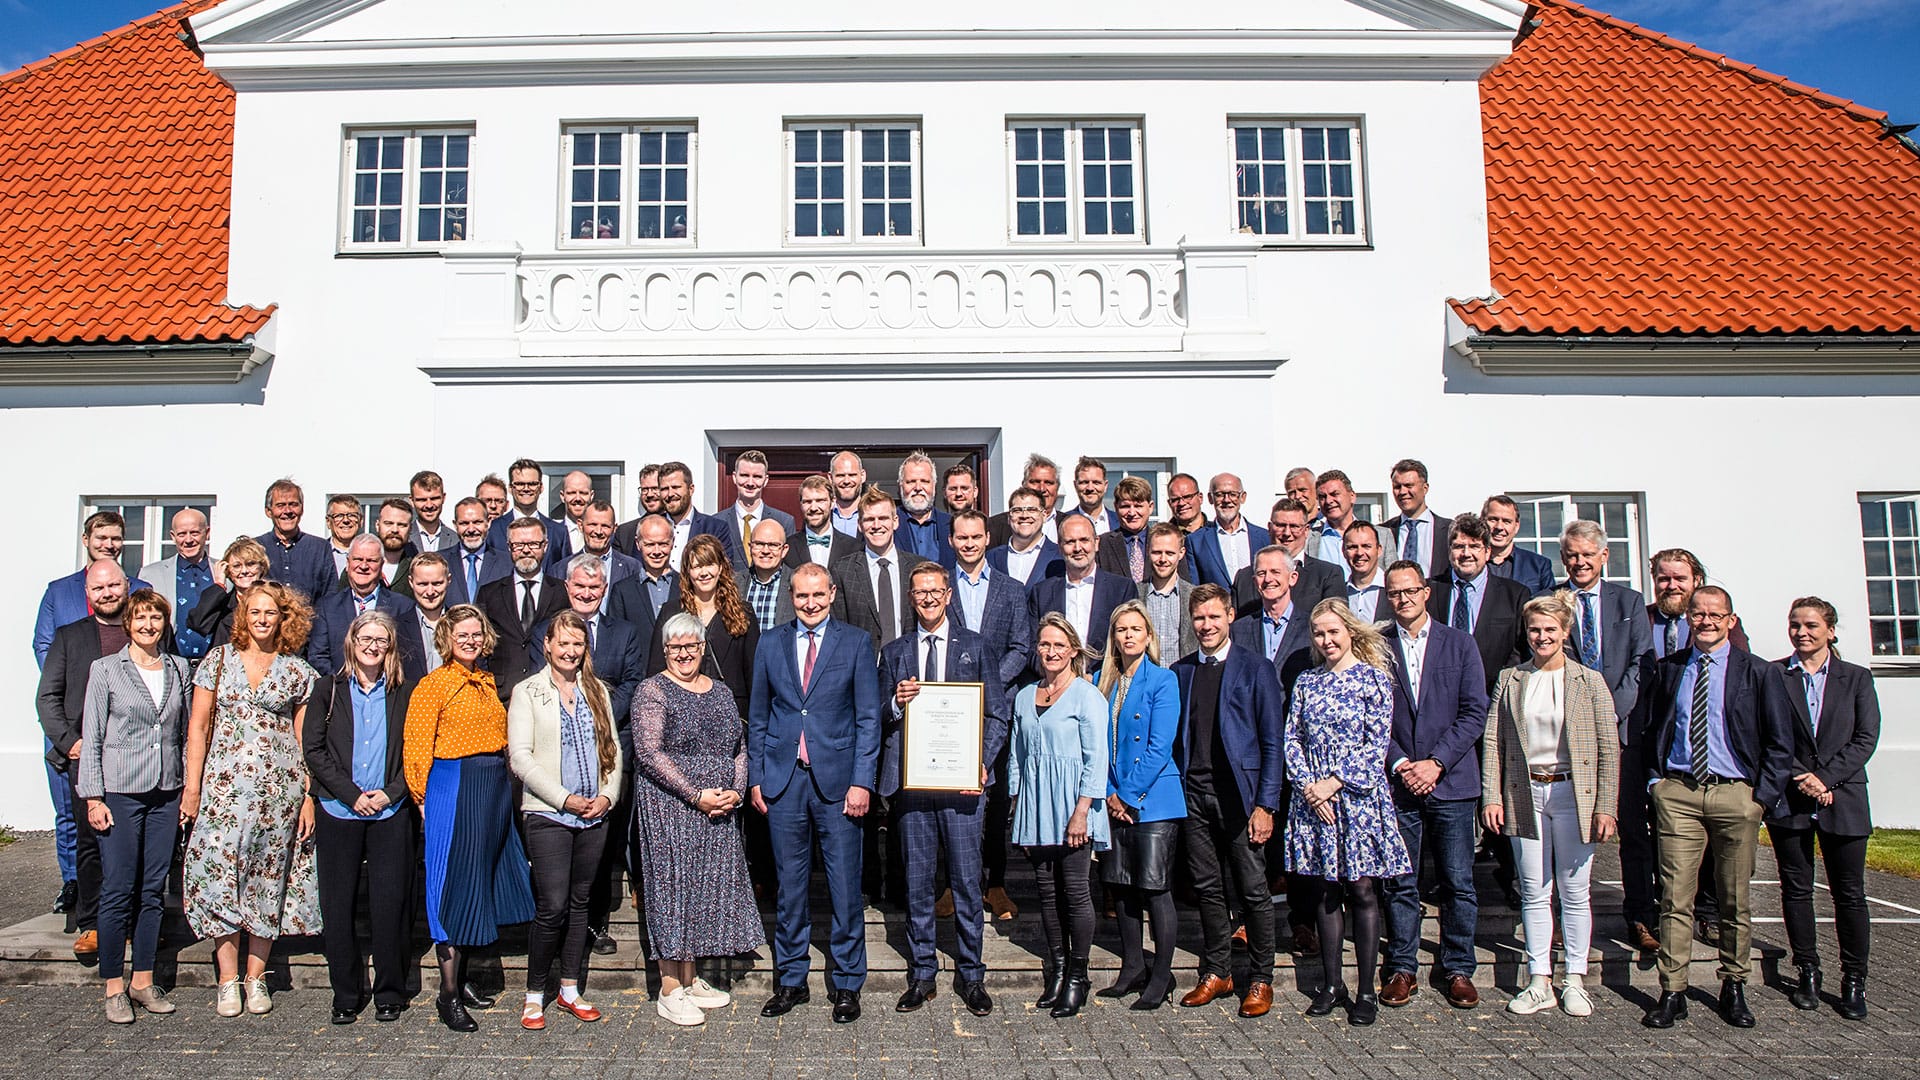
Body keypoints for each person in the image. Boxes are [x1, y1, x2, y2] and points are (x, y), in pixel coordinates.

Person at [1638, 586, 1792, 1031]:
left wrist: (1759, 799)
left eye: (1714, 614)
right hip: (1679, 793)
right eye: (1697, 614)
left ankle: (1734, 985)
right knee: (1674, 897)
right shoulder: (1669, 670)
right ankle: (1673, 990)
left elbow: (1780, 742)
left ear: (1730, 620)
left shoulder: (1758, 672)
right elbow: (1651, 730)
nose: (1705, 621)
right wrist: (1656, 782)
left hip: (1735, 795)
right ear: (1688, 619)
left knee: (1733, 897)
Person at [181, 581, 322, 1017]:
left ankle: (256, 977)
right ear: (244, 616)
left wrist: (308, 796)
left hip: (277, 795)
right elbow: (198, 729)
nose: (262, 619)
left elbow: (305, 741)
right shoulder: (218, 663)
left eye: (271, 612)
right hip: (223, 794)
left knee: (266, 878)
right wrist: (192, 789)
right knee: (221, 875)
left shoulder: (298, 672)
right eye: (255, 612)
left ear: (284, 619)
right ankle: (227, 980)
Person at [749, 562, 882, 1023]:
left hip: (839, 782)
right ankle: (790, 981)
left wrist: (862, 780)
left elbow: (868, 718)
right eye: (801, 596)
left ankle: (847, 984)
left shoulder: (855, 642)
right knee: (789, 889)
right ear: (792, 595)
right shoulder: (771, 643)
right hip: (785, 783)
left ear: (831, 594)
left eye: (817, 596)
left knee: (845, 890)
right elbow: (760, 717)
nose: (809, 604)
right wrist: (756, 777)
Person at [1480, 593, 1619, 1018]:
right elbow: (1493, 741)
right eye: (1535, 629)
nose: (1542, 637)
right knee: (1534, 892)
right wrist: (1493, 794)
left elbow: (1608, 748)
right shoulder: (1511, 679)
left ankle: (1575, 977)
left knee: (1575, 892)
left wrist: (1606, 805)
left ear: (1566, 632)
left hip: (1574, 794)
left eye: (1550, 630)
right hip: (1526, 793)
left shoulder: (1588, 681)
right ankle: (1539, 979)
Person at [403, 604, 538, 1032]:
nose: (470, 640)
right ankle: (446, 994)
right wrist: (423, 796)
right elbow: (416, 745)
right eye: (462, 634)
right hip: (454, 784)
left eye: (476, 634)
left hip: (492, 786)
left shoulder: (484, 681)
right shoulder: (434, 685)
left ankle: (462, 982)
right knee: (451, 881)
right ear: (446, 637)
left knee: (478, 879)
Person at [876, 564, 1003, 1015]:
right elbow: (878, 714)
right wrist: (896, 700)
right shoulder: (895, 652)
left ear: (948, 595)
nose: (928, 599)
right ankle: (922, 974)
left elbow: (997, 715)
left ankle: (971, 975)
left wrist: (982, 763)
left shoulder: (977, 646)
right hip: (912, 785)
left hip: (963, 787)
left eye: (935, 591)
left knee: (968, 884)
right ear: (911, 598)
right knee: (916, 884)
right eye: (919, 592)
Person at [631, 612, 765, 1026]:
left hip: (719, 809)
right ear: (665, 651)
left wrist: (736, 791)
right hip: (671, 807)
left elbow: (739, 748)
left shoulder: (721, 692)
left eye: (691, 645)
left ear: (703, 648)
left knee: (702, 891)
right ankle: (669, 987)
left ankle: (690, 980)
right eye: (676, 647)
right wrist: (695, 794)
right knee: (672, 890)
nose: (684, 653)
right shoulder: (652, 691)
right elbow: (649, 753)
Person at [1284, 599, 1407, 1026]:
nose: (1326, 640)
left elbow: (1376, 746)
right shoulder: (1307, 682)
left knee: (1362, 890)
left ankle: (1367, 990)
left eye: (1333, 631)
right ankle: (1332, 984)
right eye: (1319, 633)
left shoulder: (1374, 681)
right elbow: (1292, 740)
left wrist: (1334, 784)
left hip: (1357, 800)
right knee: (1326, 892)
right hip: (1315, 802)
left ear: (1350, 631)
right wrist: (1310, 788)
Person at [1378, 560, 1488, 1011]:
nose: (1403, 600)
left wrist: (1437, 762)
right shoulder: (1377, 647)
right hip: (1401, 781)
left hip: (1451, 781)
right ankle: (1403, 966)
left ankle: (1458, 966)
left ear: (1426, 593)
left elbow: (1474, 711)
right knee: (1400, 880)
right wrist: (1403, 762)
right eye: (1395, 593)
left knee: (1457, 881)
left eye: (1410, 591)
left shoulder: (1459, 644)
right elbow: (1372, 715)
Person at [75, 588, 190, 1024]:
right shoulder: (105, 669)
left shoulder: (178, 668)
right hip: (121, 792)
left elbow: (179, 733)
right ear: (128, 623)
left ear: (165, 624)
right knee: (119, 888)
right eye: (140, 618)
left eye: (156, 619)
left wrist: (185, 789)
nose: (148, 626)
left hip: (166, 790)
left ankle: (143, 980)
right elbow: (94, 739)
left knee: (152, 890)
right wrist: (93, 798)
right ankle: (113, 986)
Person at [1172, 583, 1286, 1019]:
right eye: (1199, 618)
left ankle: (1260, 977)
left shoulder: (1256, 668)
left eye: (1214, 617)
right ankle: (1218, 970)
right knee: (1207, 887)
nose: (1206, 625)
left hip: (1241, 798)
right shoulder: (1183, 672)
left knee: (1254, 890)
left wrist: (1266, 805)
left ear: (1230, 617)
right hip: (1195, 796)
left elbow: (1272, 743)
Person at [508, 611, 625, 1030]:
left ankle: (570, 988)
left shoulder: (597, 691)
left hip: (594, 814)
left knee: (580, 904)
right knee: (552, 905)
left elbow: (612, 749)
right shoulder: (528, 691)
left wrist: (608, 796)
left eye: (578, 644)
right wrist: (564, 799)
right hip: (549, 813)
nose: (571, 651)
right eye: (564, 643)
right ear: (548, 645)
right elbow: (520, 757)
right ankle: (534, 993)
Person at [1628, 546, 1745, 951]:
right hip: (1652, 743)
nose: (1671, 585)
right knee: (1650, 839)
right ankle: (1653, 915)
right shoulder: (1640, 619)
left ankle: (1709, 912)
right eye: (1663, 578)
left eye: (1679, 578)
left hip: (1709, 752)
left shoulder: (1723, 626)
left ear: (1696, 581)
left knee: (1711, 841)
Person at [529, 555, 646, 958]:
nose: (586, 594)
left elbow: (633, 682)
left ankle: (595, 923)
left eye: (594, 588)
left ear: (605, 589)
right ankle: (554, 921)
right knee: (559, 847)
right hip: (553, 755)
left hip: (609, 747)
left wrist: (595, 715)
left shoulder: (624, 632)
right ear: (567, 587)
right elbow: (535, 685)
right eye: (580, 586)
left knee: (600, 840)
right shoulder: (545, 632)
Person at [303, 609, 416, 1025]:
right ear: (351, 642)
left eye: (380, 640)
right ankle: (346, 993)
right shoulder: (327, 689)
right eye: (365, 639)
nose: (372, 646)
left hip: (390, 810)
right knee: (339, 904)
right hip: (339, 809)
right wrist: (352, 795)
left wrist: (390, 793)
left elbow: (416, 750)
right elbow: (313, 749)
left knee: (391, 904)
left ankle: (390, 991)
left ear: (390, 647)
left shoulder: (405, 690)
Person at [33, 511, 149, 918]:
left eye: (118, 537)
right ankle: (79, 897)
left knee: (129, 829)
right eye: (102, 536)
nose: (110, 542)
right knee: (77, 819)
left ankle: (126, 909)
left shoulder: (143, 599)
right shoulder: (60, 596)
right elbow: (44, 652)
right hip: (76, 726)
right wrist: (69, 728)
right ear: (87, 539)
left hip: (133, 740)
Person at [1769, 596, 1879, 1021]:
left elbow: (1866, 737)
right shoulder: (1775, 675)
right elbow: (1770, 734)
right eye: (1795, 624)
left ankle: (1854, 981)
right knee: (1796, 890)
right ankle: (1807, 973)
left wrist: (1826, 779)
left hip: (1844, 797)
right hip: (1792, 797)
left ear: (1830, 630)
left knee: (1849, 894)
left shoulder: (1856, 678)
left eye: (1812, 625)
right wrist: (1803, 778)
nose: (1802, 632)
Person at [1008, 613, 1109, 1018]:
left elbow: (1096, 758)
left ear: (1073, 650)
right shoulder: (1023, 695)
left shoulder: (1087, 696)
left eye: (1058, 645)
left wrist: (1082, 811)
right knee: (1046, 893)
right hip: (1037, 803)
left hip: (1073, 805)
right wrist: (1017, 799)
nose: (1051, 652)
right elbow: (1018, 753)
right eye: (1045, 645)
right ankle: (1058, 968)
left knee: (1076, 890)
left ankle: (1079, 976)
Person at [37, 559, 134, 960]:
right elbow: (48, 698)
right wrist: (70, 743)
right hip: (87, 759)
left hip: (137, 761)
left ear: (126, 586)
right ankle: (92, 923)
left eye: (113, 585)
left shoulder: (147, 630)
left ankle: (132, 923)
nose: (107, 593)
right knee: (91, 843)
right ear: (89, 595)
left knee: (136, 846)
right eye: (99, 588)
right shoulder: (69, 637)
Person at [946, 508, 1033, 921]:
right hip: (949, 707)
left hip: (998, 708)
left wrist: (988, 684)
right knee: (948, 795)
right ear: (951, 541)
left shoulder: (1012, 590)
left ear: (986, 540)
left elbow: (1021, 646)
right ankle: (951, 883)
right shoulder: (940, 587)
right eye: (961, 537)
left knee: (996, 797)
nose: (969, 543)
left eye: (976, 537)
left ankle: (995, 883)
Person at [1094, 601, 1182, 1010]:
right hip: (1114, 799)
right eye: (1121, 629)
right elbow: (1099, 745)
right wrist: (1110, 793)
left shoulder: (1163, 680)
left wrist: (1127, 794)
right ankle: (1131, 967)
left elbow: (1159, 746)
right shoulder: (1102, 681)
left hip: (1153, 800)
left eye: (1136, 629)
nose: (1128, 636)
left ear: (1149, 636)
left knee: (1154, 887)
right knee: (1121, 886)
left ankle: (1162, 976)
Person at [649, 535, 759, 720]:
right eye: (697, 566)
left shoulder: (743, 612)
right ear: (687, 572)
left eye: (709, 564)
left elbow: (754, 675)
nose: (704, 572)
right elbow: (656, 670)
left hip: (731, 715)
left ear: (721, 567)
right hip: (682, 716)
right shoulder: (672, 611)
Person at [477, 517, 569, 702]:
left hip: (550, 692)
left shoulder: (562, 591)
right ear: (509, 547)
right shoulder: (489, 592)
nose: (526, 550)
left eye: (533, 544)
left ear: (545, 546)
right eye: (518, 545)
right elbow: (481, 646)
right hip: (502, 694)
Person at [831, 487, 928, 658]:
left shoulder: (918, 567)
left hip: (910, 668)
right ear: (860, 525)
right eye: (869, 520)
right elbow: (838, 630)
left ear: (895, 521)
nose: (876, 526)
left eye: (883, 518)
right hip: (862, 670)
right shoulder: (842, 571)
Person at [308, 534, 420, 679]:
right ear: (348, 564)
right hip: (339, 693)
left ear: (381, 566)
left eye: (371, 560)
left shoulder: (403, 606)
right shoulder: (327, 607)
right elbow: (317, 656)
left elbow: (407, 657)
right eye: (358, 559)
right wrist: (344, 686)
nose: (364, 566)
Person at [1028, 514, 1134, 661]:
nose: (1078, 548)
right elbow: (1032, 647)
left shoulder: (1121, 589)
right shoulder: (1041, 593)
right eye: (1070, 542)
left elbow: (1129, 644)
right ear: (1060, 547)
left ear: (1096, 543)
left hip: (1105, 681)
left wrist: (1098, 677)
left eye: (1084, 540)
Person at [1237, 498, 1343, 616]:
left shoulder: (1327, 575)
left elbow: (1335, 625)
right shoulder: (1244, 578)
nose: (1287, 533)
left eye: (1294, 526)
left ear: (1306, 530)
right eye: (1280, 525)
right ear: (1269, 528)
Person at [138, 508, 216, 663]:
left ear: (207, 533)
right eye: (182, 534)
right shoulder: (151, 574)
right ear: (173, 536)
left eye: (194, 533)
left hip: (216, 666)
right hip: (170, 663)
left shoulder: (225, 571)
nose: (188, 540)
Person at [255, 478, 336, 602]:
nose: (287, 511)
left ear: (302, 509)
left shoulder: (320, 548)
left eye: (293, 504)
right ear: (268, 511)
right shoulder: (256, 548)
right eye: (280, 505)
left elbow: (331, 596)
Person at [1186, 473, 1268, 588]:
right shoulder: (1195, 542)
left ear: (1243, 497)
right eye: (1219, 495)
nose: (1226, 500)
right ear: (1210, 498)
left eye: (1232, 494)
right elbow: (1194, 588)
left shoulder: (1264, 538)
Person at [187, 537, 270, 649]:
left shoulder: (274, 600)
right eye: (237, 566)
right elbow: (197, 623)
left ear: (262, 567)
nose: (244, 571)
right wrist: (219, 585)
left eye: (250, 564)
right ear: (228, 571)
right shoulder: (222, 603)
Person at [718, 450, 796, 569]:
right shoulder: (717, 522)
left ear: (766, 480)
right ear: (734, 477)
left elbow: (788, 568)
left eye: (757, 477)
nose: (750, 483)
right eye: (744, 475)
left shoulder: (784, 522)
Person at [485, 458, 571, 561]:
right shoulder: (493, 529)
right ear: (510, 488)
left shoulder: (559, 532)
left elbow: (564, 571)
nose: (526, 489)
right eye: (520, 484)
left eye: (532, 484)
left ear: (541, 487)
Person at [1382, 459, 1451, 579]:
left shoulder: (1449, 530)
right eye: (1397, 487)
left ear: (1425, 488)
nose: (1403, 492)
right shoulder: (1383, 531)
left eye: (1409, 486)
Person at [1140, 524, 1196, 662]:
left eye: (1170, 553)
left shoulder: (1193, 596)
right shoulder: (1134, 593)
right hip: (1146, 679)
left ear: (1181, 553)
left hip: (1182, 678)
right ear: (1148, 551)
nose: (1163, 559)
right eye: (1157, 552)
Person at [986, 486, 1063, 586]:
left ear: (1044, 516)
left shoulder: (1059, 556)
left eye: (1032, 510)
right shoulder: (991, 557)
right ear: (1009, 518)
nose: (1024, 515)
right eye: (1017, 510)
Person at [1481, 496, 1555, 597]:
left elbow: (1549, 608)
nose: (1499, 527)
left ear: (1516, 526)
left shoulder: (1539, 566)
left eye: (1506, 521)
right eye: (1493, 519)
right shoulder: (1469, 563)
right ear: (1482, 522)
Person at [1312, 470, 1389, 565]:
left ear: (1352, 496)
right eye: (1322, 497)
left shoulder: (1383, 536)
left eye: (1335, 494)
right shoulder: (1310, 539)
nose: (1328, 501)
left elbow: (1394, 576)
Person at [783, 473, 858, 570]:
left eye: (820, 501)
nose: (813, 508)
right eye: (808, 502)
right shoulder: (787, 548)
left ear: (832, 502)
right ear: (801, 504)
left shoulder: (853, 547)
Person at [987, 453, 1065, 546]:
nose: (1042, 489)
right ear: (1024, 485)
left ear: (1057, 487)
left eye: (1048, 483)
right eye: (1035, 482)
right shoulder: (996, 526)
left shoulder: (1070, 523)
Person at [444, 497, 507, 607]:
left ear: (488, 523)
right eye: (464, 523)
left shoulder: (506, 563)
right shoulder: (441, 561)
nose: (471, 529)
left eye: (477, 522)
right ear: (455, 525)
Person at [895, 450, 954, 564]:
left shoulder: (952, 524)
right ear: (901, 486)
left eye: (924, 481)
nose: (918, 487)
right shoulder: (887, 524)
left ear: (934, 485)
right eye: (911, 481)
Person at [1096, 475, 1157, 583]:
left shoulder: (1163, 541)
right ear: (1116, 507)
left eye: (1138, 506)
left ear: (1151, 507)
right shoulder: (1103, 543)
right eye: (1125, 506)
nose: (1132, 513)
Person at [744, 519, 796, 631]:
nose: (766, 550)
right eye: (759, 544)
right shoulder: (735, 583)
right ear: (750, 547)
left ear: (784, 550)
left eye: (773, 545)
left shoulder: (797, 583)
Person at [1341, 520, 1388, 622]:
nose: (1359, 553)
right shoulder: (1338, 593)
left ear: (1379, 550)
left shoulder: (1393, 589)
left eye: (1366, 546)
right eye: (1352, 547)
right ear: (1344, 552)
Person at [1065, 456, 1119, 535]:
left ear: (1105, 485)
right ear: (1075, 485)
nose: (1090, 488)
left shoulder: (1120, 521)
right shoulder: (1062, 521)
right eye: (1084, 482)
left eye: (1096, 482)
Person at [409, 470, 455, 554]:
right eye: (422, 500)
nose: (429, 505)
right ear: (412, 501)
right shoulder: (404, 538)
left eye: (434, 498)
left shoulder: (456, 540)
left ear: (443, 498)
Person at [828, 450, 869, 537]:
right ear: (830, 478)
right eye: (840, 475)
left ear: (862, 476)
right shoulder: (821, 514)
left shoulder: (874, 513)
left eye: (852, 475)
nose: (846, 481)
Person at [323, 495, 363, 579]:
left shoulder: (370, 553)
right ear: (328, 522)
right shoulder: (319, 553)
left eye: (352, 515)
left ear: (361, 521)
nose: (346, 520)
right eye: (339, 516)